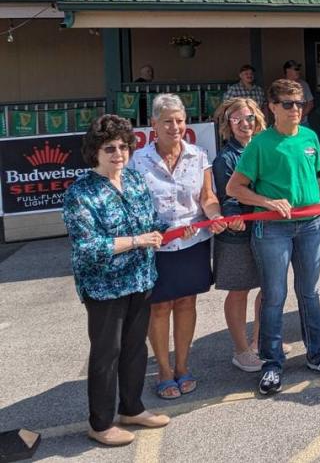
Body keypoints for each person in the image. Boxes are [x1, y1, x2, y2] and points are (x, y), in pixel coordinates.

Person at [226, 78, 320, 396]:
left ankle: (317, 354)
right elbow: (234, 188)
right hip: (273, 228)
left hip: (311, 225)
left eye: (301, 104)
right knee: (274, 296)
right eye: (288, 104)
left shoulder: (310, 137)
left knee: (309, 293)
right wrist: (267, 202)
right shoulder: (260, 144)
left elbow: (315, 184)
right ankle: (271, 364)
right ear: (273, 107)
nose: (296, 110)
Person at [62, 115, 170, 446]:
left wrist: (170, 230)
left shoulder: (136, 181)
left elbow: (152, 222)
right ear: (95, 151)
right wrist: (138, 240)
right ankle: (100, 423)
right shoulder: (80, 193)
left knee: (136, 349)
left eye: (124, 146)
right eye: (110, 148)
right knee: (107, 353)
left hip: (140, 279)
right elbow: (88, 248)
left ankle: (132, 408)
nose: (119, 153)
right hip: (104, 288)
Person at [130, 94, 227, 400]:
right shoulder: (136, 161)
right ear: (153, 125)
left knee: (186, 303)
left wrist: (215, 216)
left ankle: (183, 366)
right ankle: (163, 369)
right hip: (156, 246)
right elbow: (132, 206)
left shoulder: (199, 156)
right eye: (168, 121)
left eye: (180, 120)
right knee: (158, 307)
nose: (175, 127)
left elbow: (207, 197)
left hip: (192, 243)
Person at [211, 97, 267, 372]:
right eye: (238, 119)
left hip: (265, 230)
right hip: (237, 236)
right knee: (239, 291)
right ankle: (241, 350)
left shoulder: (263, 148)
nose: (246, 124)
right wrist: (234, 216)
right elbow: (227, 195)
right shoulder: (225, 157)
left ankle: (259, 343)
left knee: (269, 288)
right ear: (228, 124)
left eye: (250, 118)